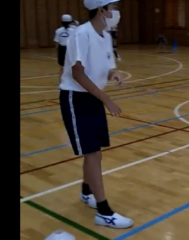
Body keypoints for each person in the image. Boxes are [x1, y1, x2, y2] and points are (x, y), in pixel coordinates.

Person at [58, 0, 133, 228]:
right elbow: (78, 73)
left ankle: (85, 191)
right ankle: (103, 211)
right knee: (92, 153)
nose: (117, 12)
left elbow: (107, 67)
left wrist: (114, 74)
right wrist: (106, 98)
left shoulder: (106, 36)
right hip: (77, 97)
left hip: (93, 96)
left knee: (95, 152)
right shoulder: (81, 34)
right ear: (101, 10)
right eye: (114, 7)